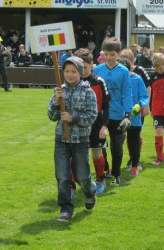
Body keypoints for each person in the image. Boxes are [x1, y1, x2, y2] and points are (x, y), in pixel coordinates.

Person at [47, 56, 97, 222]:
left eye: (73, 71)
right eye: (67, 71)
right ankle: (66, 208)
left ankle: (90, 191)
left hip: (80, 141)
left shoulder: (88, 92)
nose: (69, 74)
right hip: (61, 140)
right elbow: (52, 116)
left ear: (80, 73)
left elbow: (91, 117)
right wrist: (56, 102)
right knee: (62, 176)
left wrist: (73, 118)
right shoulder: (59, 91)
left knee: (82, 176)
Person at [93, 37, 132, 186]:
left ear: (119, 53)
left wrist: (127, 114)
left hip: (117, 114)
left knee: (117, 147)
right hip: (100, 115)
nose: (109, 57)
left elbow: (126, 93)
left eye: (112, 54)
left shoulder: (123, 71)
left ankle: (116, 173)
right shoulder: (97, 70)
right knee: (100, 146)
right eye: (107, 54)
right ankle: (104, 171)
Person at [74, 48, 110, 194]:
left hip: (96, 124)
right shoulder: (73, 82)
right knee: (76, 156)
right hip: (77, 125)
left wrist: (104, 126)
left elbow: (107, 106)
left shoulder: (99, 82)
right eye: (79, 67)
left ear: (92, 64)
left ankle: (101, 180)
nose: (82, 70)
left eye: (85, 67)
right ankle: (76, 183)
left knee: (96, 154)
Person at [119, 57, 148, 175]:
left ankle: (135, 165)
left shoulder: (137, 79)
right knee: (117, 142)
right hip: (118, 115)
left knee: (133, 141)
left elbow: (144, 96)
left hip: (134, 116)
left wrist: (139, 105)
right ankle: (115, 168)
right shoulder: (115, 80)